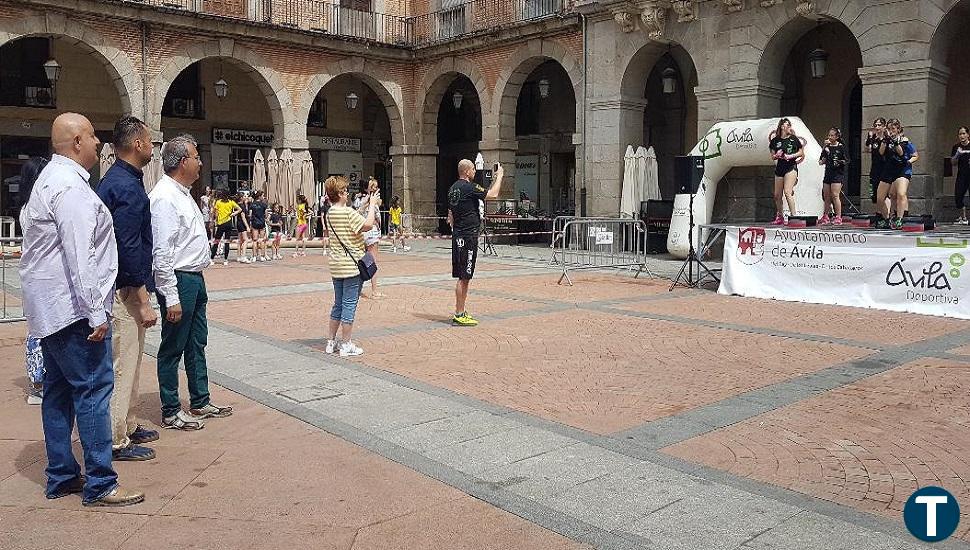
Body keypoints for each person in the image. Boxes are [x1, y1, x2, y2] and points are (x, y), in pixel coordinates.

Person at [19, 112, 144, 507]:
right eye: (92, 137)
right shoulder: (69, 187)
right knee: (93, 389)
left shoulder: (51, 181)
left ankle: (61, 474)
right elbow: (81, 255)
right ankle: (101, 482)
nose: (98, 143)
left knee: (58, 391)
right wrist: (96, 312)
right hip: (72, 309)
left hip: (51, 309)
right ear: (76, 142)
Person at [150, 134, 233, 430]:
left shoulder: (184, 193)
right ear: (183, 162)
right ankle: (171, 408)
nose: (200, 162)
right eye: (197, 157)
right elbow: (162, 251)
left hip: (195, 278)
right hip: (180, 279)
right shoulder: (163, 197)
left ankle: (200, 400)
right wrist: (170, 295)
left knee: (197, 341)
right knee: (173, 345)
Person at [96, 115, 160, 462]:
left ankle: (129, 421)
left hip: (122, 285)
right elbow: (128, 244)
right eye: (150, 141)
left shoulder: (118, 180)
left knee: (133, 359)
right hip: (124, 290)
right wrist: (141, 297)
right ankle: (116, 437)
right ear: (137, 144)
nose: (152, 146)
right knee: (123, 362)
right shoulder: (126, 186)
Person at [323, 176, 379, 357]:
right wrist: (372, 205)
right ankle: (346, 344)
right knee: (349, 304)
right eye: (345, 191)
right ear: (339, 193)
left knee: (337, 303)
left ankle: (331, 342)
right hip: (352, 265)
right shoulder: (347, 213)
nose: (347, 193)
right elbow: (368, 224)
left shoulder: (330, 213)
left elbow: (354, 216)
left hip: (336, 265)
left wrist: (363, 206)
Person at [447, 159, 504, 326]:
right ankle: (459, 313)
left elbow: (450, 213)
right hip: (468, 236)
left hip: (458, 235)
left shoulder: (452, 189)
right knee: (465, 276)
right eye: (472, 169)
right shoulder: (470, 187)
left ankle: (461, 310)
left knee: (462, 274)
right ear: (466, 171)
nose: (474, 172)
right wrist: (499, 176)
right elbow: (492, 195)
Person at [17, 156, 49, 405]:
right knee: (40, 332)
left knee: (37, 330)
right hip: (41, 277)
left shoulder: (27, 208)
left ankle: (38, 381)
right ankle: (39, 382)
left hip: (33, 275)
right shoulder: (35, 208)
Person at [877, 118, 918, 229]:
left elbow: (901, 153)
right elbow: (881, 152)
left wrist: (908, 161)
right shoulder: (887, 139)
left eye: (893, 128)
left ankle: (899, 218)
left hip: (902, 169)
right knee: (880, 198)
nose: (891, 131)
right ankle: (887, 219)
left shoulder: (904, 140)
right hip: (889, 169)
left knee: (900, 193)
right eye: (889, 129)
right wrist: (885, 140)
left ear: (898, 129)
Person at [768, 118, 803, 225]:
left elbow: (801, 152)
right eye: (787, 125)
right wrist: (777, 155)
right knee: (777, 195)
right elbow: (773, 156)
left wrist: (791, 155)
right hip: (780, 168)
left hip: (791, 166)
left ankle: (793, 216)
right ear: (782, 127)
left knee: (787, 192)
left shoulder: (793, 139)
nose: (789, 127)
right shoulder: (775, 141)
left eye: (789, 125)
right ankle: (780, 216)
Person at [818, 127, 849, 226]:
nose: (830, 137)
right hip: (828, 173)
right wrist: (824, 149)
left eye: (832, 135)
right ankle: (825, 216)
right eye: (829, 135)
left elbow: (847, 160)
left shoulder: (841, 147)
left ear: (837, 136)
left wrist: (839, 162)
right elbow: (821, 160)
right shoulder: (827, 147)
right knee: (826, 196)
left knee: (835, 195)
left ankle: (838, 216)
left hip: (837, 174)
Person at [360, 178, 384, 298]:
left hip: (363, 232)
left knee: (362, 261)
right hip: (371, 232)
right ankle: (375, 291)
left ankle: (358, 288)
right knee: (373, 262)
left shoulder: (360, 200)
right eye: (373, 186)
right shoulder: (371, 201)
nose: (375, 188)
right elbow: (375, 218)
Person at [210, 189, 241, 266]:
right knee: (227, 241)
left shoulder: (218, 202)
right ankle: (225, 259)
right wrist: (233, 214)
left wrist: (214, 221)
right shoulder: (231, 202)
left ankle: (211, 258)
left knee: (216, 241)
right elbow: (240, 209)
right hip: (228, 223)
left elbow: (216, 213)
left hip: (221, 223)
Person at [865, 117, 888, 207]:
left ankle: (885, 216)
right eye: (875, 125)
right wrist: (869, 138)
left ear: (884, 126)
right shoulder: (873, 138)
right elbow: (867, 149)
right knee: (873, 194)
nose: (877, 127)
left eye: (879, 125)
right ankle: (880, 213)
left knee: (883, 195)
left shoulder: (886, 139)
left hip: (884, 169)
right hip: (874, 169)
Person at [952, 126, 970, 224]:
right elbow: (953, 162)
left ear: (968, 135)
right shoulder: (956, 147)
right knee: (958, 196)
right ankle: (963, 218)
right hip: (962, 175)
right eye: (960, 134)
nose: (962, 136)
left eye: (964, 133)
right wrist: (957, 155)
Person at [250, 190, 269, 261]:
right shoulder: (264, 204)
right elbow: (266, 215)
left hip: (254, 223)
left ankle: (254, 256)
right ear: (259, 196)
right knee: (262, 240)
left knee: (254, 240)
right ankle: (262, 256)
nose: (263, 197)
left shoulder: (252, 204)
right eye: (262, 196)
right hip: (261, 223)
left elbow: (250, 214)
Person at [235, 192, 253, 263]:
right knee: (246, 240)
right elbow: (243, 217)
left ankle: (238, 256)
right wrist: (247, 226)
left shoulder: (239, 205)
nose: (246, 197)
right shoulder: (242, 206)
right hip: (242, 224)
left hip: (239, 223)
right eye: (245, 196)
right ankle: (243, 256)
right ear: (241, 198)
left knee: (240, 240)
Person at [293, 193, 310, 257]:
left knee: (297, 239)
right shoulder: (305, 205)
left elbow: (301, 213)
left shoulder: (299, 206)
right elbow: (310, 212)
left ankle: (296, 252)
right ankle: (303, 252)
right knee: (303, 238)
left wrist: (302, 215)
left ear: (300, 200)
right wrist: (306, 215)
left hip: (300, 223)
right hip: (304, 223)